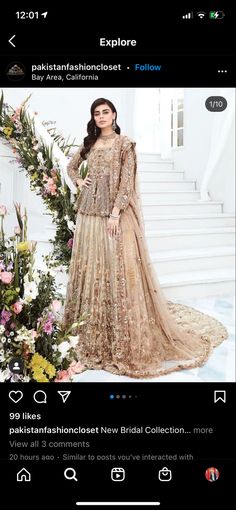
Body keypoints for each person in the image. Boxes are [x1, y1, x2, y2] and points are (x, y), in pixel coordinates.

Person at [63, 98, 227, 378]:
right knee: (91, 268)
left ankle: (118, 331)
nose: (101, 117)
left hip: (112, 215)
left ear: (114, 115)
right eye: (96, 113)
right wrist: (79, 181)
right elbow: (71, 167)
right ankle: (91, 328)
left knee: (116, 270)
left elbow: (127, 182)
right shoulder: (88, 143)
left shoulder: (125, 144)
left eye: (105, 112)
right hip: (88, 213)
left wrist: (115, 213)